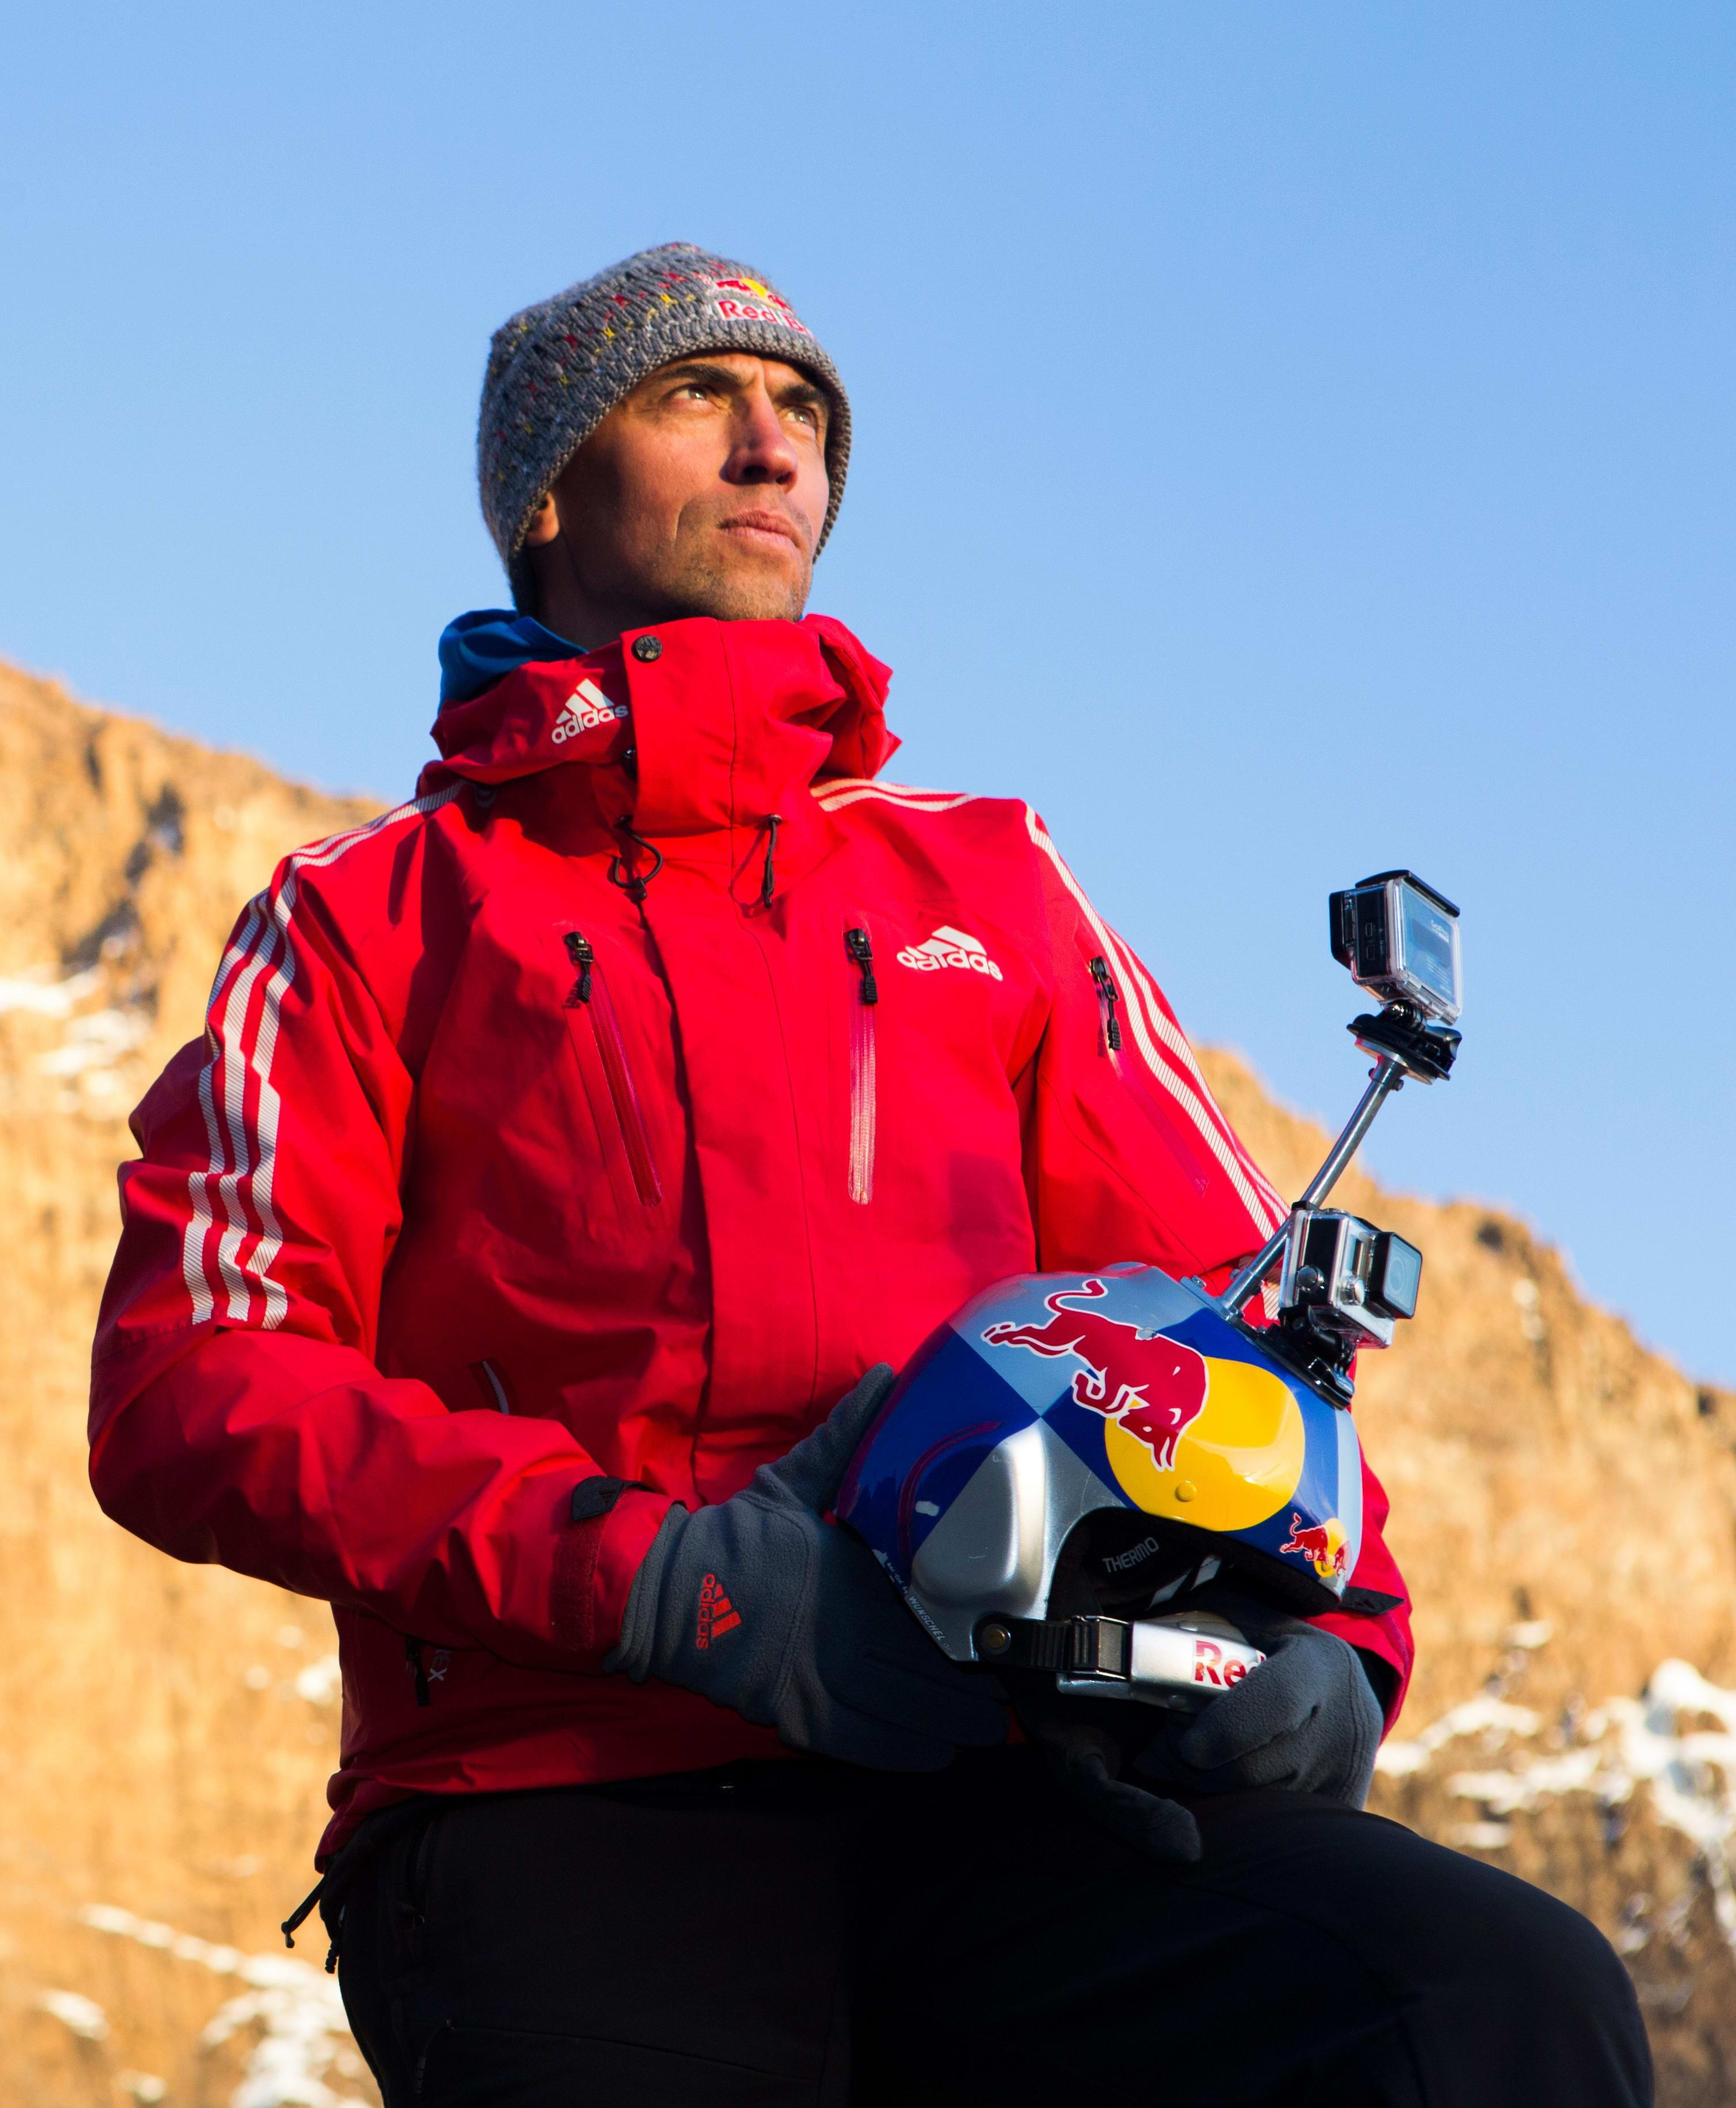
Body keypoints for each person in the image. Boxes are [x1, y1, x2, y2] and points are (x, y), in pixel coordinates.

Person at [85, 243, 1646, 2105]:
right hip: (568, 1795)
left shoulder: (990, 881)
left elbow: (1240, 1330)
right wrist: (672, 1586)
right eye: (698, 396)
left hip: (1012, 1773)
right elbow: (195, 1382)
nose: (775, 448)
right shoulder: (367, 917)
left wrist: (1341, 1647)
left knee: (1487, 1998)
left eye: (806, 413)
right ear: (548, 492)